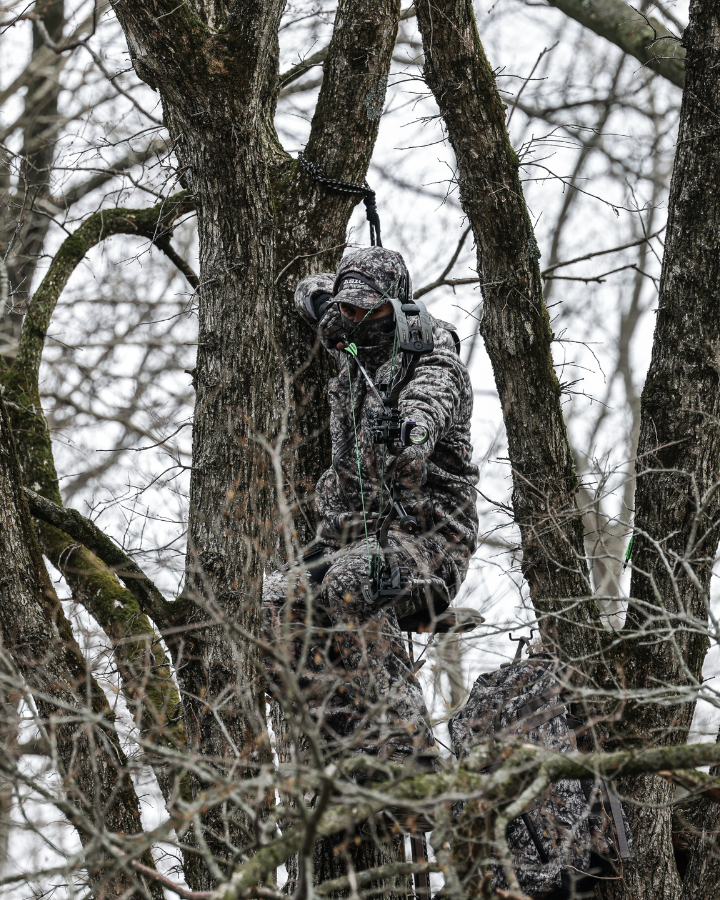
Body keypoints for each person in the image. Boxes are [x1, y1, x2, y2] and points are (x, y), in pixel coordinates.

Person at [263, 247, 479, 768]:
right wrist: (323, 303)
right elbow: (308, 287)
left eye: (368, 310)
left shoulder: (434, 359)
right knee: (270, 604)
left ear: (400, 310)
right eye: (348, 309)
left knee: (354, 581)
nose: (355, 320)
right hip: (344, 539)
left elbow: (428, 406)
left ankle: (412, 757)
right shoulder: (350, 331)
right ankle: (350, 749)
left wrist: (409, 435)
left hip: (426, 540)